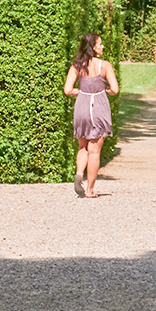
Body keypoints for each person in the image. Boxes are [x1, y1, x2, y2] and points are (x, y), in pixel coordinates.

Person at [63, 33, 118, 198]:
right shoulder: (105, 66)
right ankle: (90, 190)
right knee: (95, 151)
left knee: (83, 147)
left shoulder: (76, 66)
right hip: (99, 106)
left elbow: (67, 90)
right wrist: (103, 91)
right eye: (100, 44)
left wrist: (81, 92)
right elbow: (115, 90)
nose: (102, 47)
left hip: (82, 106)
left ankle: (79, 174)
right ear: (93, 47)